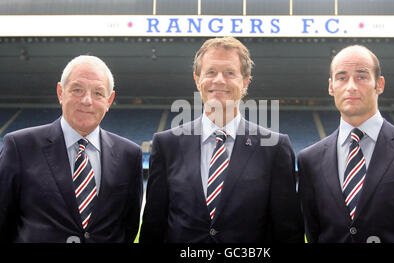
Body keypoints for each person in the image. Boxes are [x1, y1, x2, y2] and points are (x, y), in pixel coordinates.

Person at [140, 37, 303, 243]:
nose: (219, 80)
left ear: (245, 82)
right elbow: (153, 227)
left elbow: (287, 232)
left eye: (230, 73)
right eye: (211, 72)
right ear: (197, 79)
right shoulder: (167, 144)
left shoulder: (275, 148)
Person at [297, 45, 394, 242]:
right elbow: (313, 231)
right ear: (331, 86)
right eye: (342, 77)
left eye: (361, 76)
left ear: (379, 84)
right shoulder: (310, 159)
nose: (351, 86)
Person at [0, 55, 143, 243]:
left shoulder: (129, 155)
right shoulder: (20, 146)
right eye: (77, 90)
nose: (86, 100)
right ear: (61, 92)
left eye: (98, 93)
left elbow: (129, 226)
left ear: (109, 100)